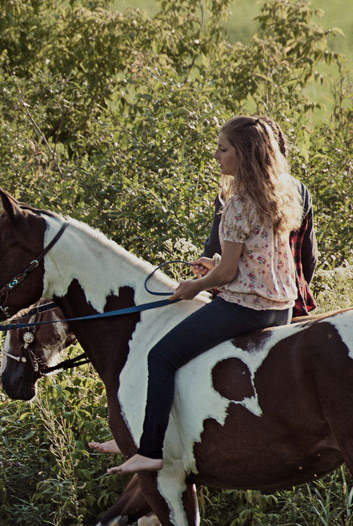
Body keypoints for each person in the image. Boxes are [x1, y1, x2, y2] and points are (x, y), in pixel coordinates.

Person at [90, 116, 317, 457]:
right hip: (281, 307)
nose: (216, 156)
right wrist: (218, 268)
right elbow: (262, 259)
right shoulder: (281, 195)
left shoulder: (238, 203)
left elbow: (226, 274)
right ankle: (141, 434)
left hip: (246, 308)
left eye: (223, 149)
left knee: (161, 356)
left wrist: (193, 286)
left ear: (242, 154)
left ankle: (149, 450)